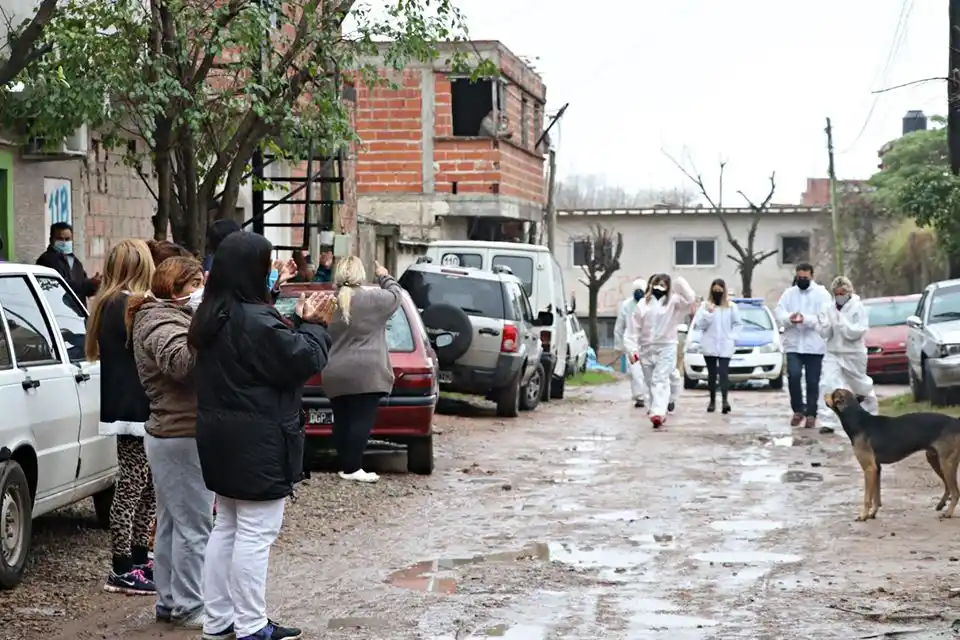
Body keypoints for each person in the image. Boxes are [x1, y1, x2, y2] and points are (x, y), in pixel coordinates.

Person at [188, 231, 334, 640]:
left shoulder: (212, 313)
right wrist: (315, 325)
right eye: (266, 264)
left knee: (227, 527)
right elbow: (301, 359)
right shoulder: (255, 319)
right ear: (249, 271)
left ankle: (218, 621)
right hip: (258, 439)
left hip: (220, 435)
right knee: (254, 533)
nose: (269, 270)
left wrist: (295, 320)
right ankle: (250, 625)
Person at [127, 256, 210, 628]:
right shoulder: (160, 321)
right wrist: (207, 325)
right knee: (194, 525)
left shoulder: (164, 316)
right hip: (179, 433)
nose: (201, 292)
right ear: (175, 290)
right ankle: (189, 605)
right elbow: (181, 364)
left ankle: (170, 600)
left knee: (174, 523)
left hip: (173, 433)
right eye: (195, 285)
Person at [84, 239, 157, 595]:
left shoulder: (108, 302)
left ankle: (140, 557)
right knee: (131, 486)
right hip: (133, 407)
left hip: (129, 405)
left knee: (146, 487)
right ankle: (121, 566)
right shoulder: (127, 304)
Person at [322, 256, 403, 483]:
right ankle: (353, 468)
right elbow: (397, 296)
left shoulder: (331, 302)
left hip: (335, 370)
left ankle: (345, 464)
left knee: (342, 419)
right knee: (361, 419)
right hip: (367, 371)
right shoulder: (374, 299)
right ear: (360, 274)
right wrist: (384, 275)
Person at [623, 273, 695, 428]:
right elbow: (633, 328)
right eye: (657, 284)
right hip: (646, 348)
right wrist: (632, 349)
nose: (659, 288)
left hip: (666, 346)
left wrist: (680, 283)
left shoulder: (674, 302)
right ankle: (654, 408)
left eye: (663, 285)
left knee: (660, 379)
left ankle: (658, 413)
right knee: (649, 382)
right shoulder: (643, 304)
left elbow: (690, 300)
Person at [816, 275, 879, 434]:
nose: (839, 296)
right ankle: (828, 421)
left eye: (842, 292)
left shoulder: (857, 307)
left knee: (860, 386)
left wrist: (842, 324)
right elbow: (824, 333)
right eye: (836, 293)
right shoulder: (828, 308)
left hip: (853, 353)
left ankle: (871, 415)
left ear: (848, 292)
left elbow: (857, 332)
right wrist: (824, 326)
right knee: (828, 384)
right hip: (833, 353)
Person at [775, 262, 832, 429]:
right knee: (793, 375)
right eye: (799, 277)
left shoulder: (821, 294)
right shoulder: (789, 294)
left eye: (805, 277)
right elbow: (779, 312)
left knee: (812, 381)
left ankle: (812, 414)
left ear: (811, 276)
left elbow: (824, 317)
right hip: (793, 344)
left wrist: (805, 319)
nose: (802, 280)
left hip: (814, 345)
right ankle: (798, 410)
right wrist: (789, 318)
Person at [692, 278, 742, 414]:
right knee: (712, 374)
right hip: (710, 343)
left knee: (724, 373)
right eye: (715, 290)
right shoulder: (705, 306)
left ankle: (725, 401)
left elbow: (738, 324)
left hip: (725, 343)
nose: (717, 293)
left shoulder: (731, 307)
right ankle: (712, 401)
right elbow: (699, 325)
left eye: (720, 290)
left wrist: (732, 338)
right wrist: (708, 313)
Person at [36, 222, 101, 301]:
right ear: (51, 240)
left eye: (67, 239)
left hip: (76, 311)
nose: (64, 243)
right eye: (60, 239)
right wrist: (89, 284)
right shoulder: (46, 260)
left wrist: (96, 285)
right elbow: (60, 286)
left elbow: (85, 288)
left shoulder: (75, 262)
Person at [614, 278, 649, 408]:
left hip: (647, 342)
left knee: (647, 370)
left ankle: (649, 395)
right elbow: (619, 326)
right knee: (635, 371)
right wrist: (619, 346)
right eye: (636, 290)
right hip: (632, 343)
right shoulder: (627, 305)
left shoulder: (650, 304)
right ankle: (639, 396)